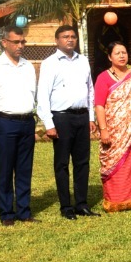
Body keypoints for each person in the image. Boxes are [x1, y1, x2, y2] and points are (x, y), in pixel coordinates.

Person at [38, 24, 98, 219]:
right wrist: (49, 123)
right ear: (57, 40)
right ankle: (66, 206)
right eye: (65, 36)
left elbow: (90, 90)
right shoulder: (50, 63)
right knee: (62, 163)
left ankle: (81, 203)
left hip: (82, 116)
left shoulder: (83, 61)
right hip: (61, 117)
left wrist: (91, 117)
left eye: (72, 36)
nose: (70, 39)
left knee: (83, 162)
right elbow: (43, 95)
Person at [0, 26, 38, 226]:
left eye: (23, 42)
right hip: (4, 122)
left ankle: (24, 211)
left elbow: (33, 94)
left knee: (24, 168)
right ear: (4, 42)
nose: (20, 46)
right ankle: (7, 213)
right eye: (16, 42)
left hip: (26, 121)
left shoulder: (28, 66)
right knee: (5, 168)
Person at [95, 40, 131, 212]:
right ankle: (114, 200)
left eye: (124, 52)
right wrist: (103, 130)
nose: (122, 56)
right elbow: (99, 105)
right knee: (112, 161)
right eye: (117, 53)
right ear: (110, 57)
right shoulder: (103, 77)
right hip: (113, 129)